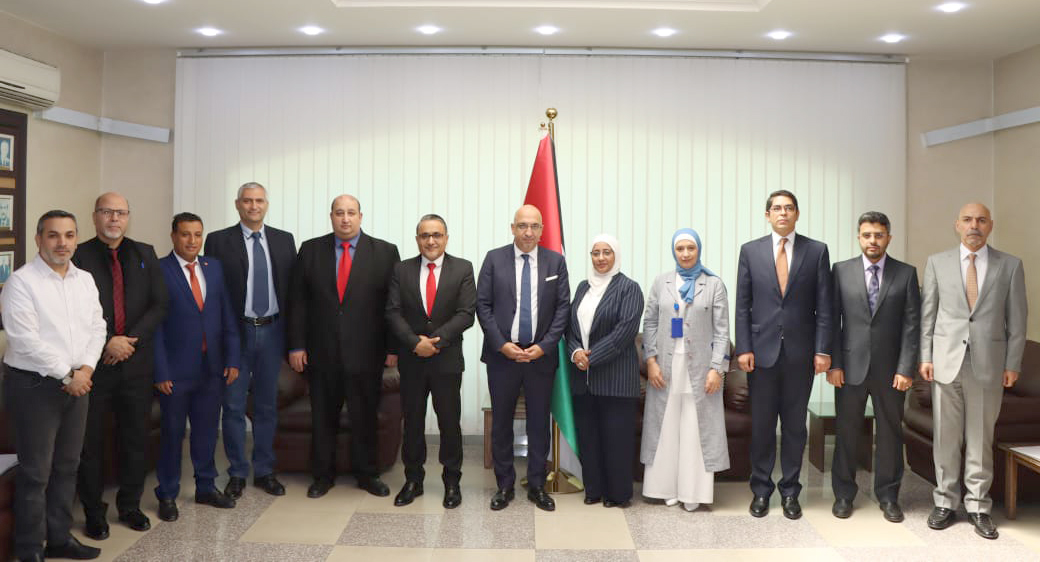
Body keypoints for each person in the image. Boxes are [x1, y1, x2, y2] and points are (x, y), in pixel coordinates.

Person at [2, 211, 106, 562]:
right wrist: (69, 374)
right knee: (36, 472)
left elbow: (98, 327)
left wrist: (86, 369)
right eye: (53, 235)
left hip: (78, 383)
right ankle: (30, 549)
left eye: (69, 235)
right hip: (35, 387)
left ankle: (59, 538)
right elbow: (25, 340)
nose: (62, 243)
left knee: (67, 466)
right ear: (39, 239)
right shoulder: (21, 282)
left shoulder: (84, 280)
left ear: (76, 239)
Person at [920, 202, 1027, 540]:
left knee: (981, 438)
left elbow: (1018, 320)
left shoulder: (1010, 265)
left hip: (988, 364)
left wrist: (1012, 363)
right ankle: (945, 502)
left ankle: (979, 507)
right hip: (945, 362)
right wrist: (925, 356)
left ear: (990, 226)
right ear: (957, 225)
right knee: (946, 437)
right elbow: (928, 315)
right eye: (967, 220)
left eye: (981, 220)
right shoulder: (936, 263)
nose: (974, 226)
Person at [288, 194, 400, 499]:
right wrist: (296, 345)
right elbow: (298, 302)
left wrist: (393, 348)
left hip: (367, 353)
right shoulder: (310, 250)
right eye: (339, 213)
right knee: (324, 418)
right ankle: (322, 476)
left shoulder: (385, 252)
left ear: (361, 216)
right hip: (322, 352)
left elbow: (393, 305)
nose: (345, 219)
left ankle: (367, 474)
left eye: (351, 212)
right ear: (331, 216)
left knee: (365, 417)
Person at [73, 193, 168, 540]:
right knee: (91, 443)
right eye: (107, 212)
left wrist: (129, 342)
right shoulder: (78, 256)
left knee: (135, 439)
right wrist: (108, 341)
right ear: (95, 216)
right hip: (93, 367)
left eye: (121, 213)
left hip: (135, 365)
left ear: (128, 217)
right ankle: (93, 512)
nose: (114, 218)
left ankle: (130, 505)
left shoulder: (145, 253)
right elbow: (73, 312)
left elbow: (159, 305)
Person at [735, 189, 832, 520]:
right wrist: (744, 347)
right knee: (762, 426)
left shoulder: (816, 251)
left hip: (800, 355)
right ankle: (761, 490)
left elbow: (824, 306)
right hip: (760, 354)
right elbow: (743, 305)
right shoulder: (750, 251)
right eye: (776, 208)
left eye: (789, 208)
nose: (783, 213)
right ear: (767, 215)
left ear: (797, 214)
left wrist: (822, 349)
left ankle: (790, 491)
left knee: (794, 427)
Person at [204, 182, 297, 499]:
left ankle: (265, 471)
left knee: (267, 406)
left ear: (266, 204)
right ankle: (237, 472)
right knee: (232, 406)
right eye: (247, 201)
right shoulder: (218, 241)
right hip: (236, 334)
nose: (253, 206)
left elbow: (292, 292)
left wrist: (294, 340)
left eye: (259, 201)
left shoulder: (284, 240)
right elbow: (212, 292)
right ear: (237, 204)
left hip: (272, 331)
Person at [827, 211, 920, 523]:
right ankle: (843, 495)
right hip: (849, 368)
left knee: (891, 434)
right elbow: (833, 321)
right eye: (867, 235)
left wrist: (906, 369)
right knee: (846, 432)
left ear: (888, 238)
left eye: (879, 235)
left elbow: (912, 325)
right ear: (859, 237)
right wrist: (834, 364)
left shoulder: (906, 274)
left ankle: (889, 496)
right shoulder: (841, 271)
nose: (873, 241)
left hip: (891, 371)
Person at [476, 204, 570, 512]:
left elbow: (563, 308)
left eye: (534, 226)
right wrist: (502, 344)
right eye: (522, 226)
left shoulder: (555, 261)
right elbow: (483, 305)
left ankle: (537, 485)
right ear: (512, 228)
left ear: (542, 230)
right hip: (503, 357)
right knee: (501, 422)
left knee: (539, 423)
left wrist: (545, 346)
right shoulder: (494, 259)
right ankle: (504, 485)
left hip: (540, 357)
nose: (528, 232)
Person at [153, 212, 241, 522]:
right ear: (173, 236)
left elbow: (227, 315)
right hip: (176, 371)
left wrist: (232, 359)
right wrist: (161, 371)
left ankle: (206, 486)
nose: (192, 241)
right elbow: (155, 327)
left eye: (197, 234)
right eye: (185, 234)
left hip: (212, 368)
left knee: (206, 432)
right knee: (173, 434)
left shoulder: (212, 267)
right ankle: (167, 492)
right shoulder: (160, 270)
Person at [385, 214, 476, 509]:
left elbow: (466, 313)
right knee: (412, 421)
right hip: (412, 361)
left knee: (449, 422)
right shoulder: (401, 270)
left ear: (446, 238)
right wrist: (415, 343)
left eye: (437, 235)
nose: (431, 241)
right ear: (417, 240)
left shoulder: (463, 268)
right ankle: (413, 480)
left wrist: (435, 342)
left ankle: (452, 481)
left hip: (446, 360)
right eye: (425, 235)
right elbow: (393, 312)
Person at [640, 229, 729, 511]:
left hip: (701, 368)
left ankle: (693, 493)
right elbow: (649, 323)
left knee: (695, 427)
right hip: (665, 366)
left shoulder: (714, 284)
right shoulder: (661, 282)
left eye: (691, 248)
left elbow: (722, 331)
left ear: (698, 250)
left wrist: (717, 369)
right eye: (680, 249)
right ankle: (664, 488)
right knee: (665, 426)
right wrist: (651, 361)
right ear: (673, 251)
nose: (686, 253)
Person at [565, 234, 643, 508]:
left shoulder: (629, 288)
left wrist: (591, 358)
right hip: (582, 380)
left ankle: (618, 494)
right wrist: (575, 352)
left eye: (606, 252)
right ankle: (594, 489)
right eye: (595, 253)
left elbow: (624, 333)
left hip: (616, 380)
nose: (600, 258)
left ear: (616, 255)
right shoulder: (582, 287)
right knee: (588, 439)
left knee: (616, 441)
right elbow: (570, 328)